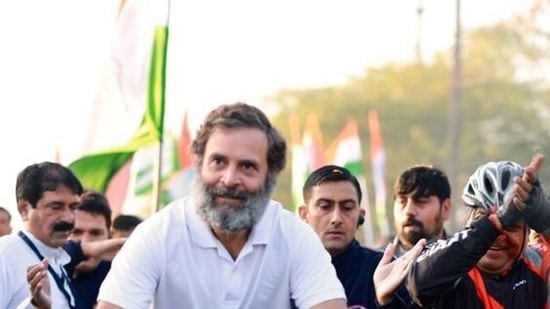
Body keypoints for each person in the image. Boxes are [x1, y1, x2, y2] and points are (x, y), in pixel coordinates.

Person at [96, 102, 347, 309]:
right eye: (218, 162)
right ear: (198, 165)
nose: (229, 180)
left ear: (269, 175)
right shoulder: (157, 234)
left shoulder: (294, 235)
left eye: (247, 167)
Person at [407, 154, 550, 308]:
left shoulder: (538, 262)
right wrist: (496, 222)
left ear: (528, 231)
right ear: (469, 220)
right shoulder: (448, 263)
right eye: (484, 218)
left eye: (511, 225)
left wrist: (546, 219)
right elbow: (419, 284)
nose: (497, 235)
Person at [297, 165, 425, 309]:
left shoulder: (384, 271)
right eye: (325, 206)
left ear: (361, 215)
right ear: (303, 214)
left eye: (347, 208)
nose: (336, 218)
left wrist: (386, 302)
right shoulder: (282, 271)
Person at [0, 162, 124, 309]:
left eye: (73, 207)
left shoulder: (57, 258)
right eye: (56, 206)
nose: (69, 218)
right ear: (24, 208)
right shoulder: (6, 255)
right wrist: (34, 306)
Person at [64, 190, 113, 309]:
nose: (85, 242)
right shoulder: (49, 272)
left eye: (95, 233)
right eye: (76, 232)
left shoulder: (121, 278)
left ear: (109, 236)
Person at [390, 165, 451, 257]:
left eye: (420, 202)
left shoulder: (465, 261)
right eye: (402, 202)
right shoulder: (374, 264)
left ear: (445, 208)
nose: (409, 211)